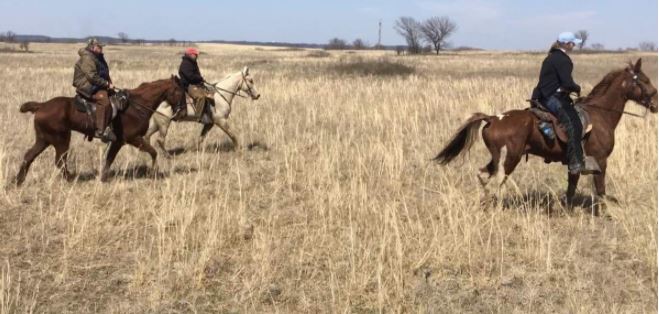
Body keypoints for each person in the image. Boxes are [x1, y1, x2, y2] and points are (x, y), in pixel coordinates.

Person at [531, 32, 599, 175]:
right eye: (572, 43)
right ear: (567, 44)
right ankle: (575, 162)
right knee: (574, 123)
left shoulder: (551, 56)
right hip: (552, 97)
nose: (574, 45)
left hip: (540, 96)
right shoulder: (563, 60)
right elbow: (567, 82)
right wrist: (577, 88)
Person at [72, 38, 116, 142]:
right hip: (86, 85)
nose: (101, 49)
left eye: (101, 47)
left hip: (96, 84)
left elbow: (104, 72)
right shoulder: (88, 58)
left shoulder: (98, 57)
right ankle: (101, 131)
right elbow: (91, 76)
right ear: (92, 47)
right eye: (99, 47)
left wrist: (109, 82)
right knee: (104, 102)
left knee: (115, 97)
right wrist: (106, 84)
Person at [175, 47, 211, 121]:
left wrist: (200, 80)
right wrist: (200, 78)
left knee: (209, 93)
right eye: (195, 54)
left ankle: (208, 112)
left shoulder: (192, 62)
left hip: (195, 83)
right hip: (188, 85)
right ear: (190, 54)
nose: (197, 56)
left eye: (196, 55)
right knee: (201, 97)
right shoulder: (186, 63)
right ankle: (199, 117)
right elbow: (190, 76)